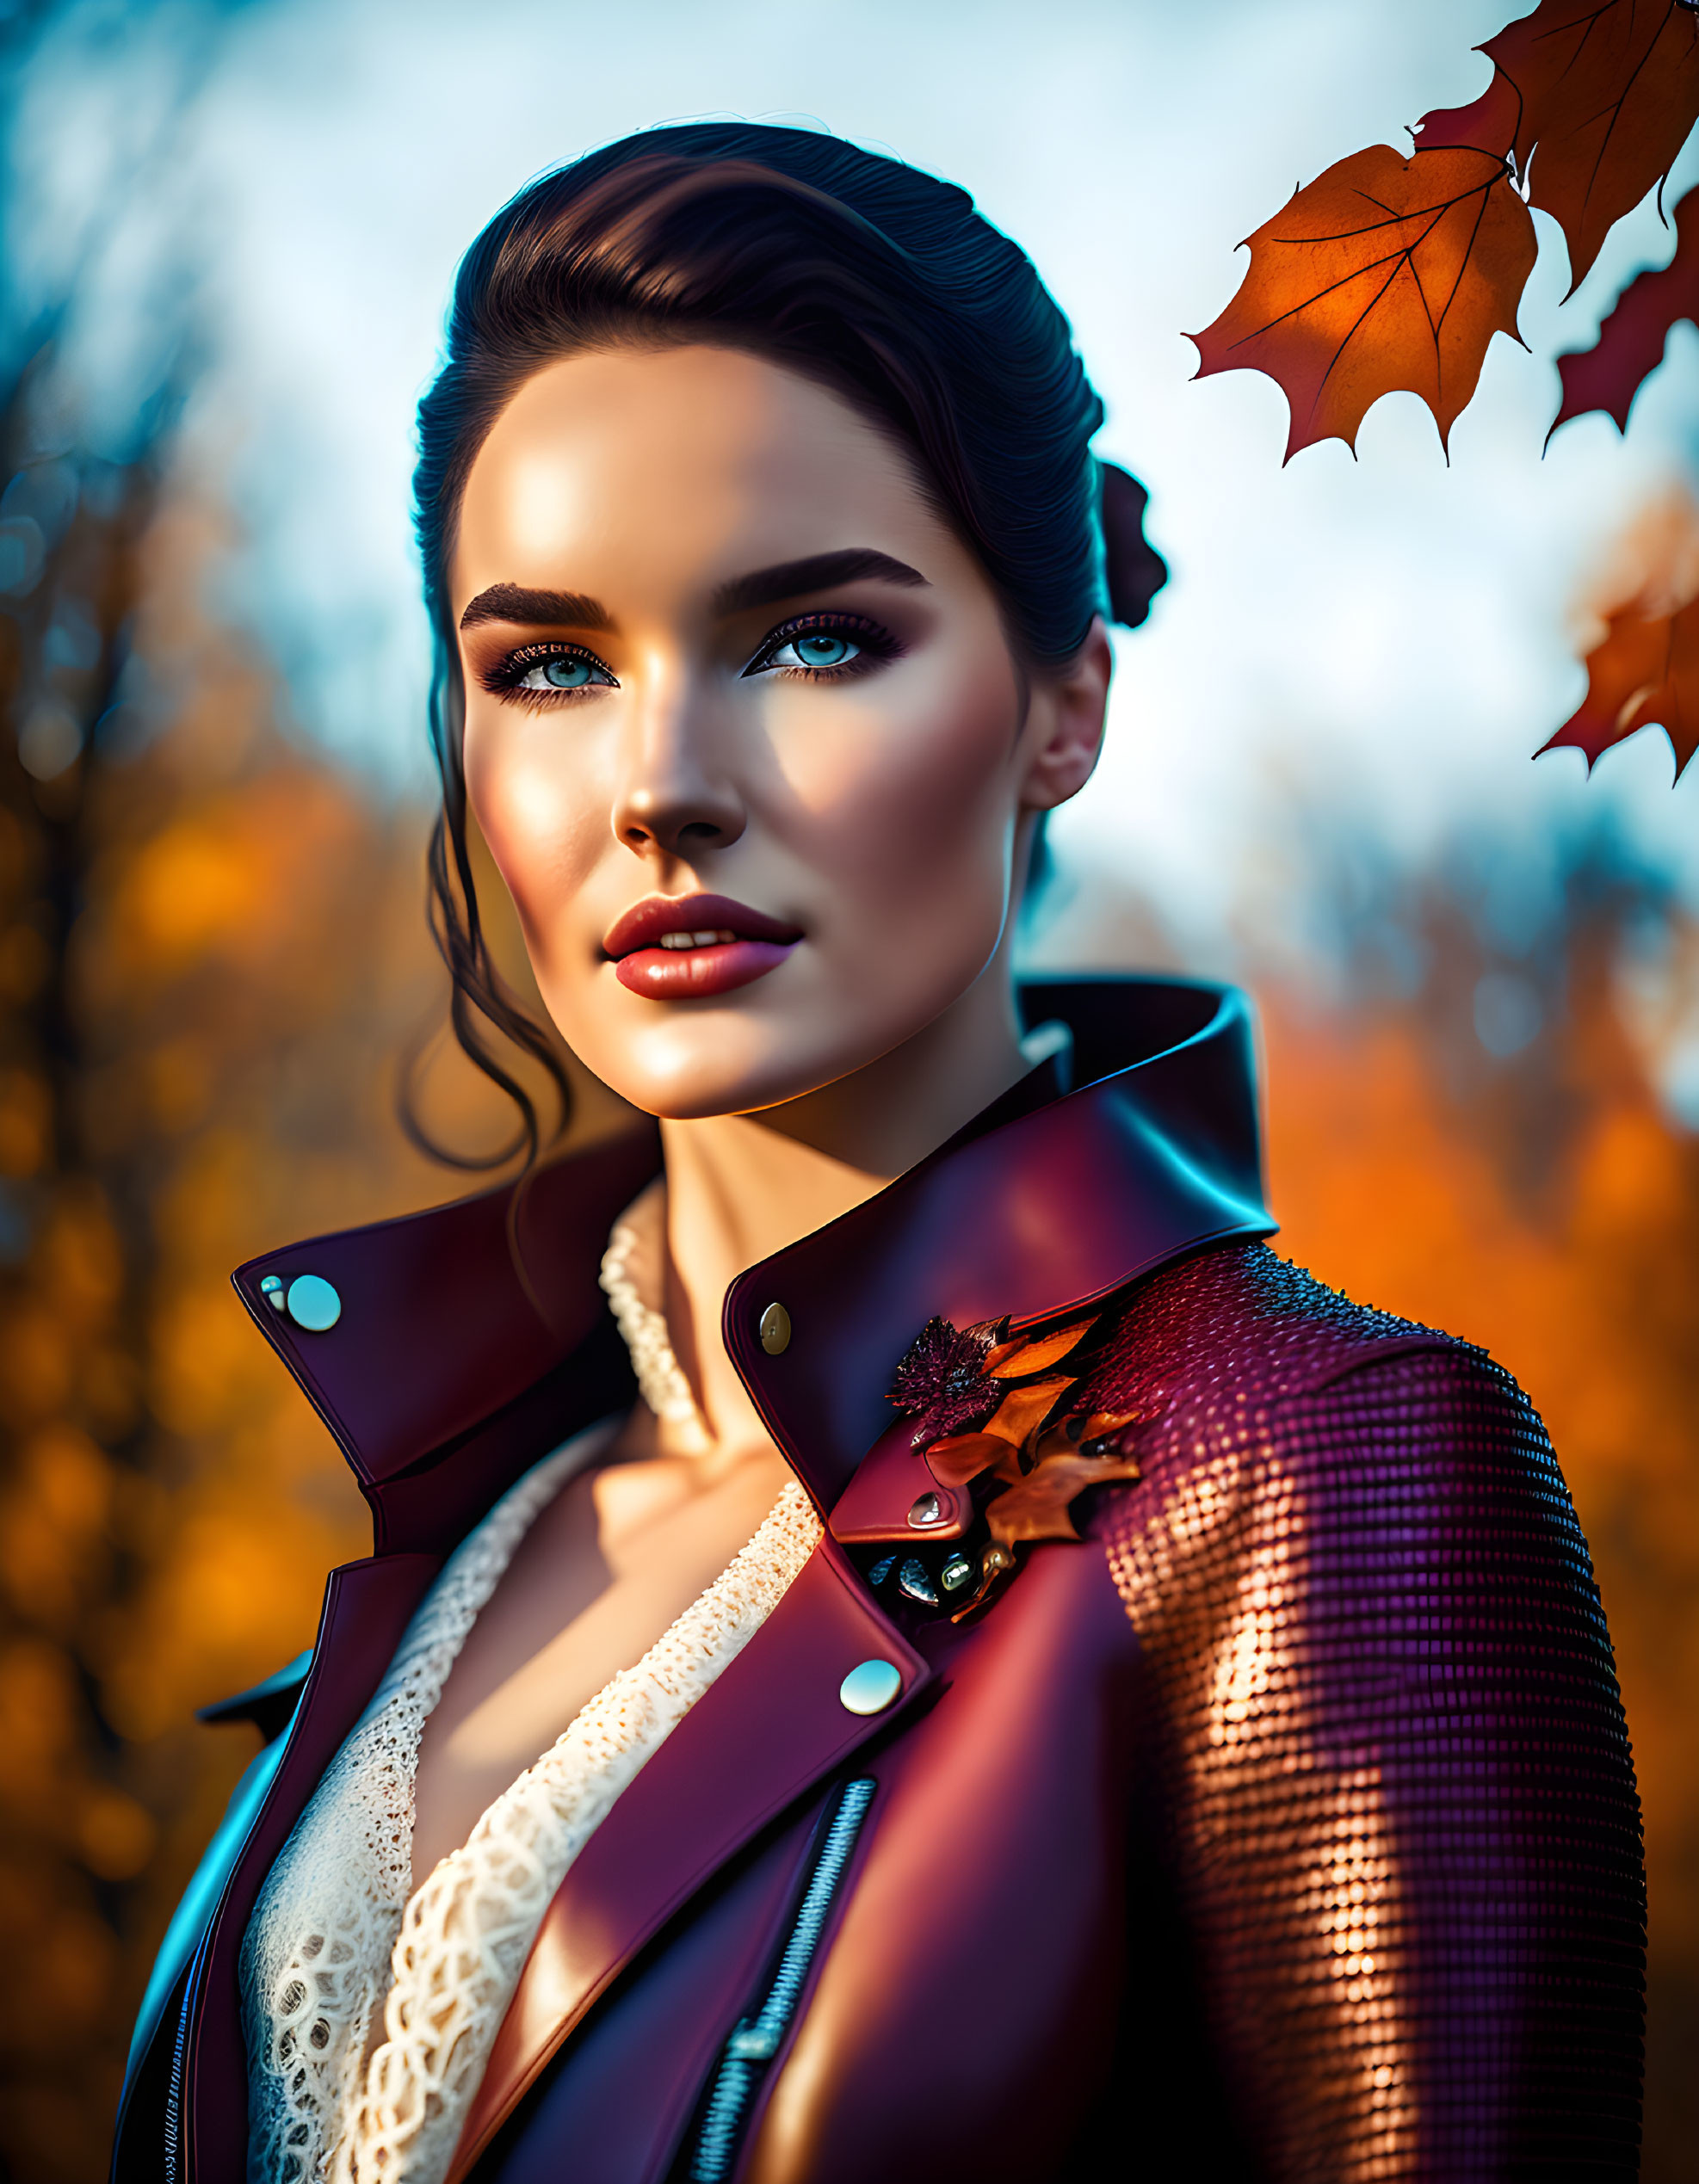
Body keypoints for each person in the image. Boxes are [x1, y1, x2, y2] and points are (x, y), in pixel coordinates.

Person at [111, 125, 1644, 2184]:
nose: (661, 784)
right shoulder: (464, 1520)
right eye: (550, 666)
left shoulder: (1317, 1471)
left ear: (1060, 704)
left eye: (814, 637)